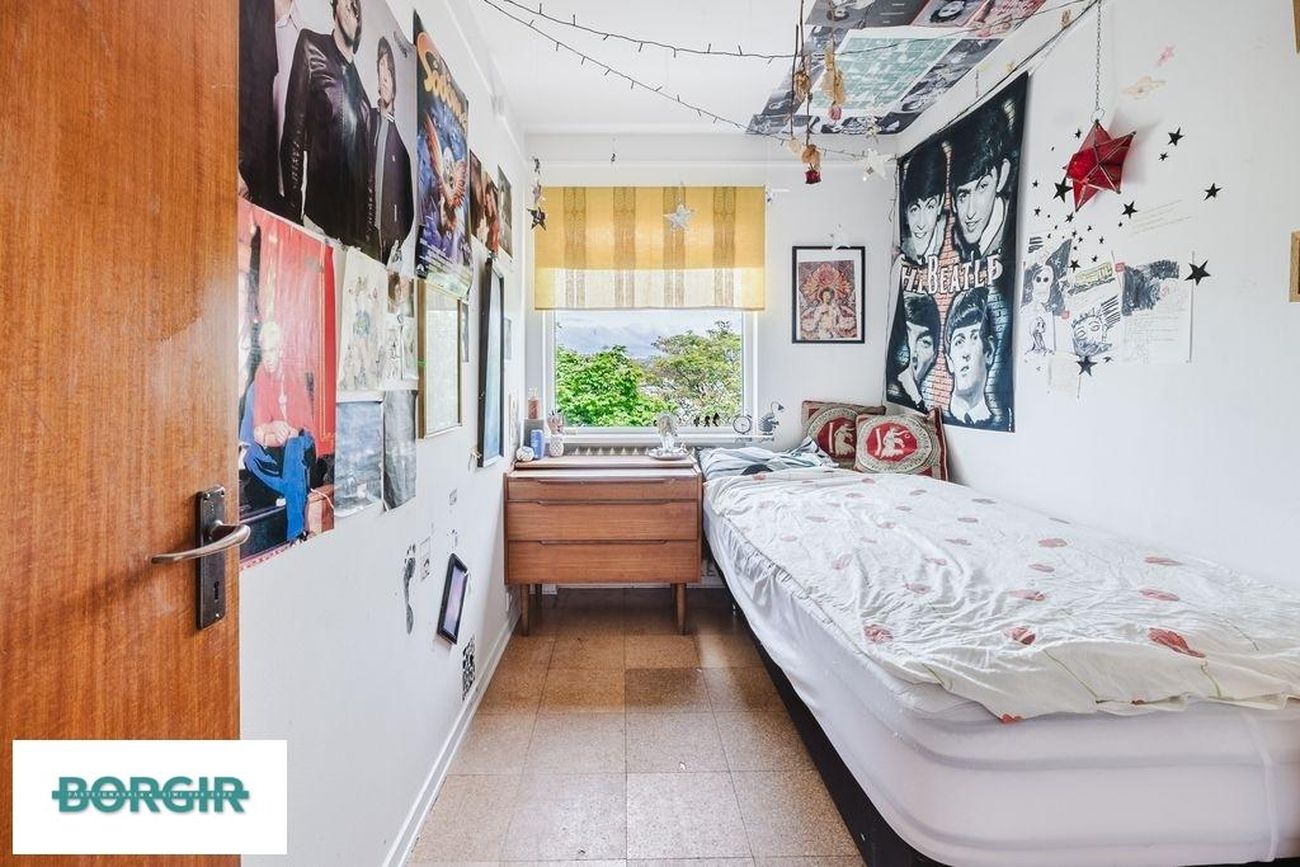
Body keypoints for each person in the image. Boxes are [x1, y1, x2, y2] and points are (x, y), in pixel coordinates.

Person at [280, 0, 373, 247]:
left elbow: (368, 179)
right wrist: (293, 214)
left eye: (356, 10)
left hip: (350, 241)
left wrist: (364, 240)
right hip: (317, 223)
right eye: (346, 3)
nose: (350, 10)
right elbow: (293, 135)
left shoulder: (364, 100)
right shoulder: (311, 46)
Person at [239, 320, 317, 544]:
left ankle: (295, 532)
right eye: (265, 351)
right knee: (251, 456)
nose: (268, 357)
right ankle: (292, 491)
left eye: (272, 350)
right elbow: (258, 430)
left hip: (300, 442)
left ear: (281, 351)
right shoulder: (260, 379)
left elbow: (298, 428)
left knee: (293, 448)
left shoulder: (293, 376)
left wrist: (275, 433)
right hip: (275, 446)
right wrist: (272, 430)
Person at [948, 105, 1013, 262]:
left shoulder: (1012, 232)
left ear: (1002, 175)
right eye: (963, 195)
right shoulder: (954, 241)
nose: (970, 213)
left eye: (983, 186)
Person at [370, 37, 414, 266]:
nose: (385, 76)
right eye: (381, 67)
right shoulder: (367, 120)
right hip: (364, 237)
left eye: (389, 70)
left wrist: (397, 239)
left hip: (389, 246)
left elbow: (408, 206)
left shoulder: (402, 142)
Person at [943, 286, 998, 427]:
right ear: (949, 361)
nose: (966, 353)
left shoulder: (999, 421)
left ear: (989, 352)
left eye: (974, 338)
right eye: (959, 342)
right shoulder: (938, 416)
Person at [899, 146, 947, 266]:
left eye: (930, 207)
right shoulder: (903, 252)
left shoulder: (949, 242)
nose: (921, 224)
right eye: (914, 209)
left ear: (941, 203)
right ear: (905, 210)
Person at [893, 293, 941, 409]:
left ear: (935, 354)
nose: (913, 353)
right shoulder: (897, 390)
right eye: (906, 337)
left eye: (924, 342)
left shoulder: (921, 402)